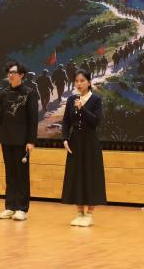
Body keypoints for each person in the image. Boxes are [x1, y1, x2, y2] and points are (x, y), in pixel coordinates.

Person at [56, 69, 106, 226]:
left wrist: (82, 108)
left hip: (90, 143)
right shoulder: (72, 99)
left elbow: (96, 121)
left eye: (82, 81)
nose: (79, 84)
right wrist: (65, 139)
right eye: (76, 81)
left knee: (90, 176)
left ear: (89, 82)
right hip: (75, 142)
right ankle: (79, 213)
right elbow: (66, 121)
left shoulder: (96, 99)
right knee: (76, 175)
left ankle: (89, 214)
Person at [0, 61, 38, 221]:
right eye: (9, 72)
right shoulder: (3, 93)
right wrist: (1, 139)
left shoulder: (29, 93)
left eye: (13, 72)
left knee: (21, 175)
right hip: (7, 139)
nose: (10, 75)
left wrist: (31, 141)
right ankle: (10, 207)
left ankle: (21, 208)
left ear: (21, 75)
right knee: (10, 174)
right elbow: (0, 118)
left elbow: (33, 119)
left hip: (22, 141)